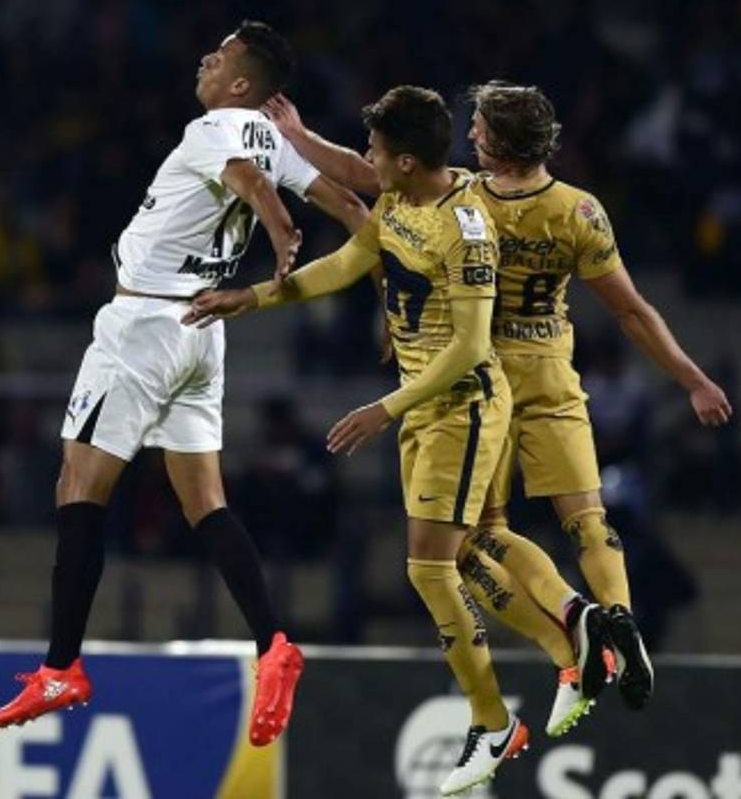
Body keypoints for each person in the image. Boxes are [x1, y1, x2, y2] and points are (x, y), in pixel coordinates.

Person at [185, 86, 608, 794]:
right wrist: (252, 297)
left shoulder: (466, 230)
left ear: (407, 160)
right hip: (424, 409)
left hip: (463, 405)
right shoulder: (399, 201)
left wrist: (383, 408)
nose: (369, 164)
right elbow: (347, 265)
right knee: (465, 557)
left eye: (378, 154)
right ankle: (574, 644)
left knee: (431, 569)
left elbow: (473, 346)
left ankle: (495, 717)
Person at [262, 82, 733, 713]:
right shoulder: (578, 210)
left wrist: (297, 139)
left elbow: (363, 173)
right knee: (589, 519)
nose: (471, 134)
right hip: (552, 374)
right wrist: (692, 379)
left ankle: (569, 633)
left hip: (478, 381)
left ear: (496, 143)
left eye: (479, 126)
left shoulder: (464, 197)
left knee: (477, 538)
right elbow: (631, 312)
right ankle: (619, 620)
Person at [0, 20, 369, 748]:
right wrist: (385, 291)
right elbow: (355, 207)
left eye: (219, 56)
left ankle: (62, 666)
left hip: (142, 329)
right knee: (206, 502)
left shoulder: (216, 130)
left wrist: (279, 225)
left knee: (78, 487)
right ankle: (273, 644)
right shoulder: (273, 135)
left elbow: (248, 182)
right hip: (203, 332)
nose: (205, 58)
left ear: (239, 85)